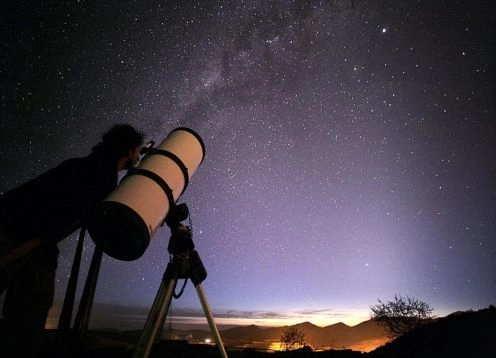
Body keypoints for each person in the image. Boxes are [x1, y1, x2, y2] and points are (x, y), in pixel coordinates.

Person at [0, 124, 144, 357]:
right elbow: (101, 224)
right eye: (137, 151)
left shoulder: (85, 165)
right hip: (16, 235)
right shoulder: (102, 175)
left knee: (28, 314)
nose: (139, 156)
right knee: (26, 323)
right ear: (128, 151)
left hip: (33, 241)